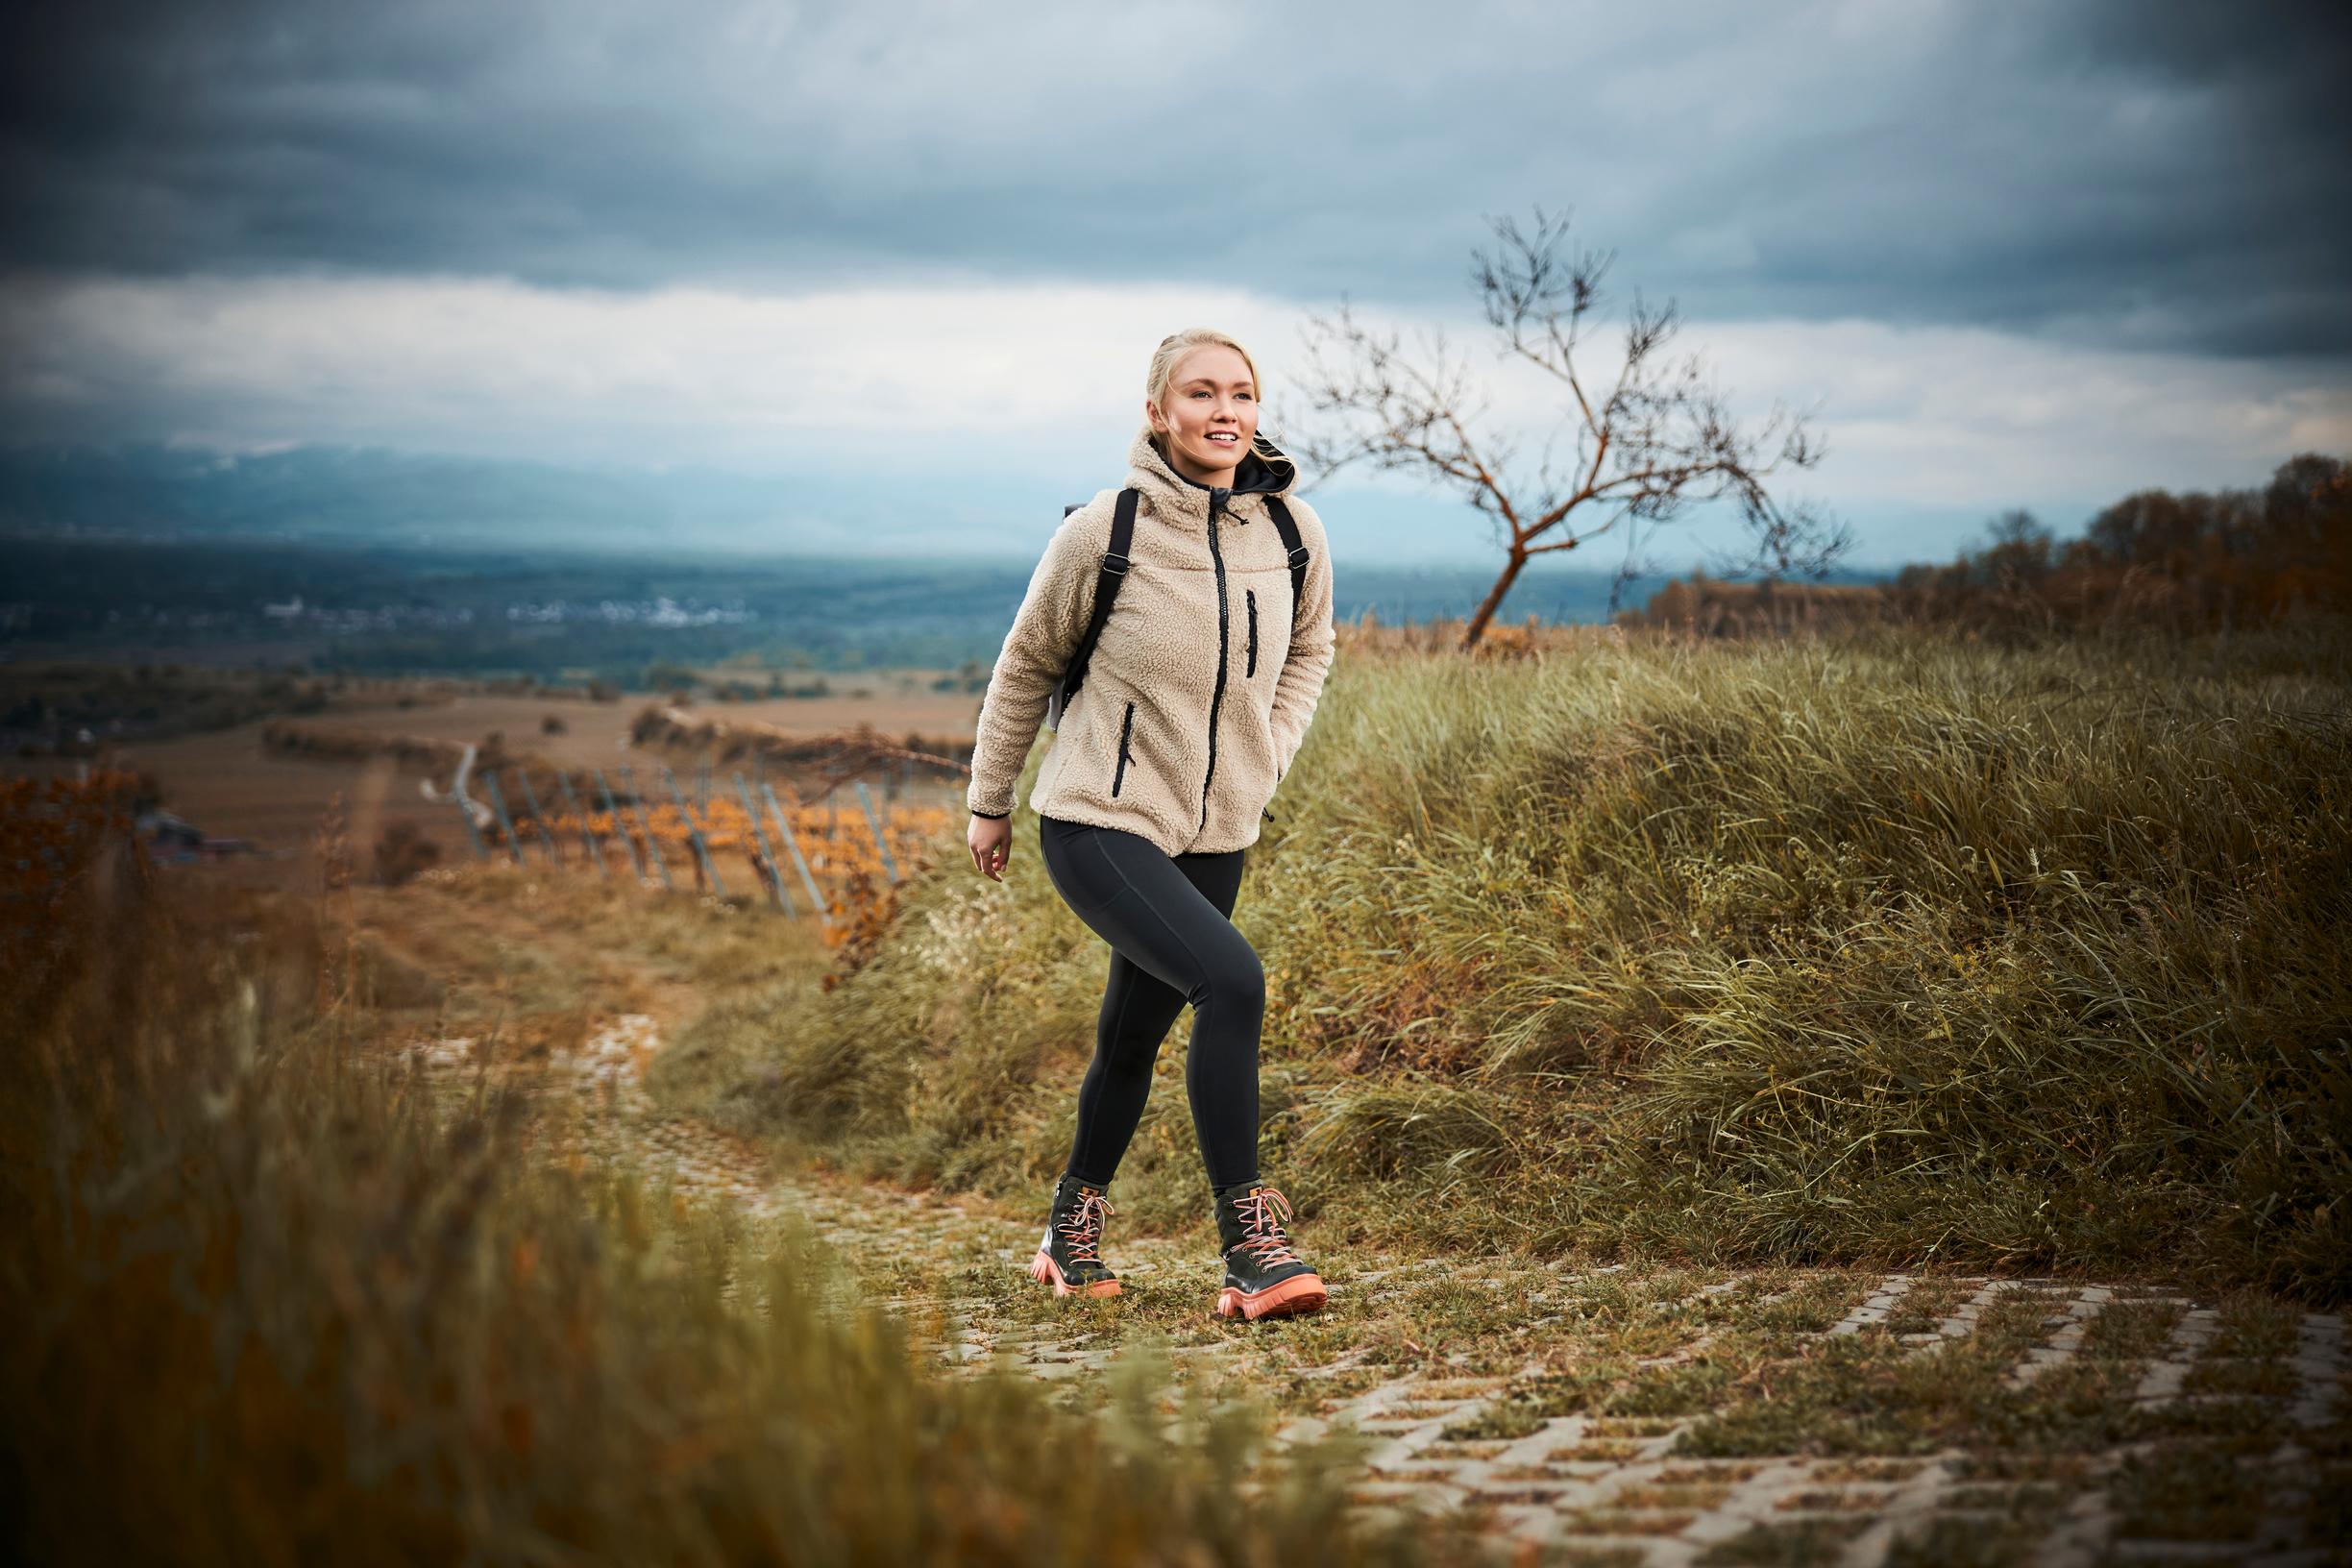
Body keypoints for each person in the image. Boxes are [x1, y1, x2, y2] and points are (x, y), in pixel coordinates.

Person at [964, 328, 1337, 1322]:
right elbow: (1026, 663)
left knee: (1132, 1037)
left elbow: (1311, 648)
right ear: (1158, 412)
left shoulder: (1292, 530)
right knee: (1232, 981)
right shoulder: (1106, 529)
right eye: (1202, 393)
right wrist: (990, 801)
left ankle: (1068, 1232)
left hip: (1218, 826)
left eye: (1241, 393)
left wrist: (1269, 752)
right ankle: (1251, 1249)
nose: (1225, 411)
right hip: (1099, 817)